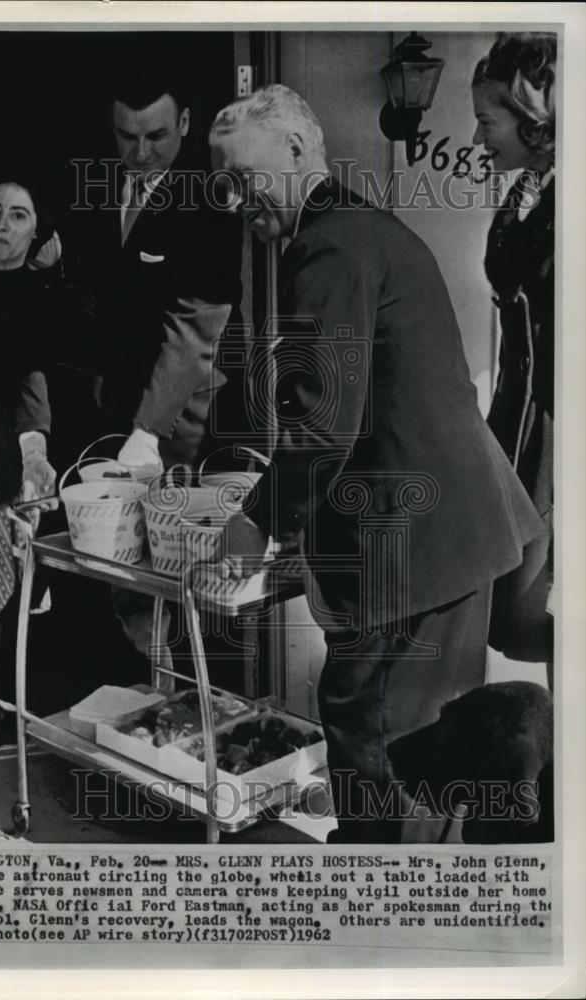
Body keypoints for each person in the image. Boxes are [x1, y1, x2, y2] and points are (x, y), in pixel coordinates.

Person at [208, 84, 546, 843]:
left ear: (297, 151)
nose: (233, 199)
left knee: (374, 755)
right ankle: (425, 920)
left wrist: (253, 520)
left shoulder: (326, 246)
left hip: (409, 554)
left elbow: (325, 426)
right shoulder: (361, 224)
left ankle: (374, 929)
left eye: (242, 176)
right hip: (456, 538)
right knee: (435, 754)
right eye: (221, 183)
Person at [86, 66, 244, 472]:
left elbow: (194, 329)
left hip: (186, 421)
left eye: (156, 136)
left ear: (185, 123)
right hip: (120, 409)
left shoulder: (211, 202)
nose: (140, 153)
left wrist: (148, 430)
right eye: (127, 137)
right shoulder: (98, 186)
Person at [471, 33, 556, 672]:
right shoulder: (531, 186)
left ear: (532, 120)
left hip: (557, 441)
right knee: (515, 619)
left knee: (545, 613)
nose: (478, 140)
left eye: (486, 121)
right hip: (516, 431)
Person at [0, 173, 57, 692]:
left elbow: (33, 381)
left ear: (36, 232)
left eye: (18, 214)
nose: (3, 223)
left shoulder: (42, 298)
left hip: (3, 448)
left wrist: (32, 452)